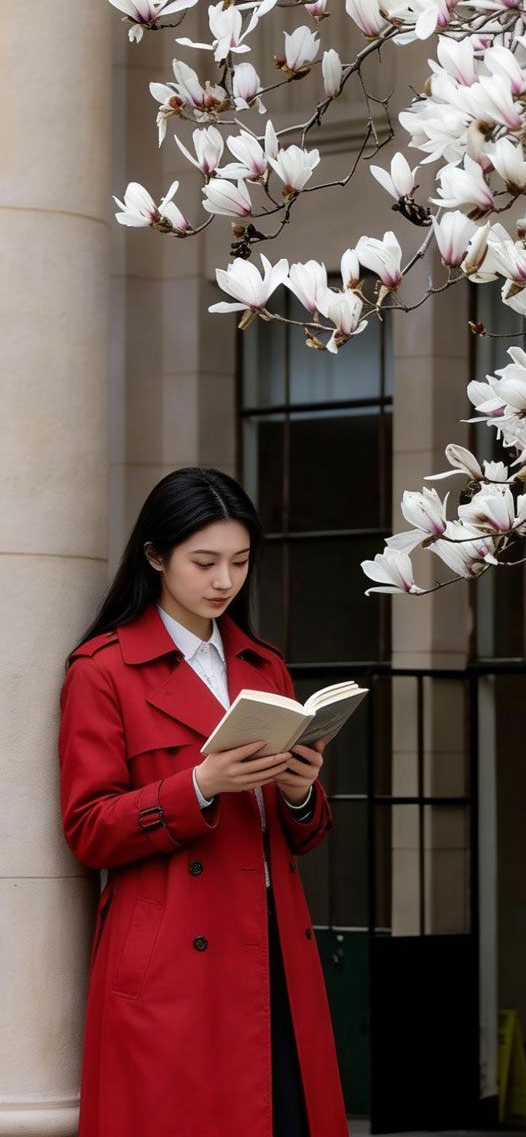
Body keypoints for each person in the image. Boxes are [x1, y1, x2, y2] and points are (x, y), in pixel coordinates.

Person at [57, 466, 351, 1137]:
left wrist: (299, 791)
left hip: (273, 938)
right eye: (205, 562)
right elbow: (89, 829)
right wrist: (200, 786)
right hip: (174, 952)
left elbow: (301, 835)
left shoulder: (263, 665)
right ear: (156, 556)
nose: (225, 581)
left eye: (240, 562)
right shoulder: (103, 670)